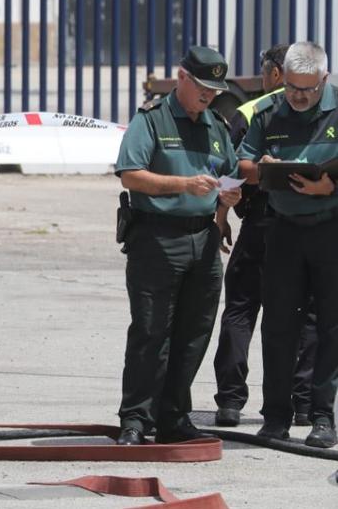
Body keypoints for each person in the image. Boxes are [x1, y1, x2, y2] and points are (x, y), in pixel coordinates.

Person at [113, 46, 241, 446]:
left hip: (203, 240)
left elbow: (230, 174)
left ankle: (173, 416)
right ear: (182, 78)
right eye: (202, 87)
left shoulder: (216, 126)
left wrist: (226, 204)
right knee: (151, 331)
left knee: (194, 333)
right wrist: (183, 185)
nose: (208, 96)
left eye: (214, 90)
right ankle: (135, 418)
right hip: (157, 237)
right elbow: (131, 175)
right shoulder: (152, 120)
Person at [236, 41, 338, 448]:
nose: (297, 96)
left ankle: (321, 416)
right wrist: (263, 170)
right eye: (292, 87)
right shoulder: (268, 111)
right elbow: (241, 164)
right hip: (282, 231)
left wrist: (329, 187)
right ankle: (275, 416)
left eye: (307, 89)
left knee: (330, 326)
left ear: (324, 80)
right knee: (278, 324)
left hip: (329, 229)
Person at [212, 43, 317, 427]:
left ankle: (229, 401)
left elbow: (232, 171)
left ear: (276, 72)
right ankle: (304, 404)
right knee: (305, 315)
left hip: (260, 223)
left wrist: (221, 215)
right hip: (306, 227)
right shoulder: (321, 104)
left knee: (240, 308)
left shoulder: (252, 110)